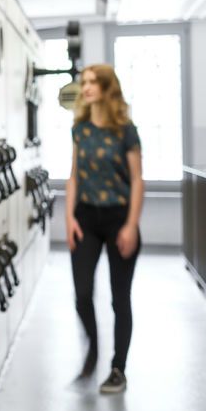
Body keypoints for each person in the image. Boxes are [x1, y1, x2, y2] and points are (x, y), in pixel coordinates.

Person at [65, 64, 144, 394]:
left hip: (118, 218)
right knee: (82, 294)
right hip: (85, 217)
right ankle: (93, 347)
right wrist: (69, 218)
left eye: (93, 82)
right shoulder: (80, 129)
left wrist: (131, 225)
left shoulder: (125, 129)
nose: (86, 88)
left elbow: (138, 180)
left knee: (119, 298)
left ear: (108, 87)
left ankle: (118, 369)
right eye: (84, 82)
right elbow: (74, 176)